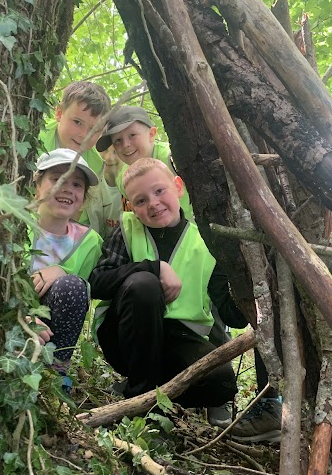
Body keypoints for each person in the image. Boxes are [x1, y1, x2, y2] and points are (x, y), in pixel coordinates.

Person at [89, 158, 246, 414]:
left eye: (159, 191)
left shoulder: (204, 241)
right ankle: (140, 400)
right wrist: (154, 267)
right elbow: (97, 283)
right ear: (131, 206)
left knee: (222, 382)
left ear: (178, 187)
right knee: (144, 284)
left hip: (177, 340)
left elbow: (232, 315)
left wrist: (255, 291)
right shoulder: (127, 229)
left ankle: (157, 391)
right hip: (125, 337)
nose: (153, 203)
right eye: (140, 200)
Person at [29, 148, 102, 392]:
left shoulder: (89, 241)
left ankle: (56, 375)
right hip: (13, 321)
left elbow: (102, 281)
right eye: (57, 178)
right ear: (37, 183)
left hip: (55, 330)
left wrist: (62, 270)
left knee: (72, 286)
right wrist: (22, 318)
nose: (68, 188)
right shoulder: (15, 225)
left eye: (77, 184)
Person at [39, 81, 117, 238]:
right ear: (59, 113)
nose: (84, 135)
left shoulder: (95, 163)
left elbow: (75, 210)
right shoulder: (37, 139)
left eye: (94, 130)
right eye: (77, 122)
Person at [95, 106, 194, 221]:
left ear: (151, 134)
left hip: (193, 233)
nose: (125, 144)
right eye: (118, 140)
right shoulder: (123, 177)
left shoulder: (172, 159)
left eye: (132, 135)